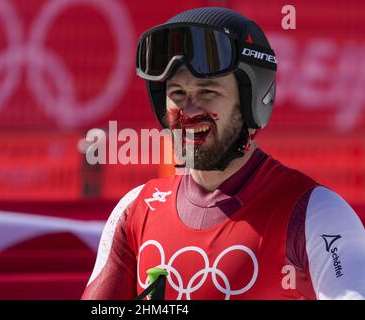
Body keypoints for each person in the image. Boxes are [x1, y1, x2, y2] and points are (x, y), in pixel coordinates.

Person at [81, 7, 365, 300]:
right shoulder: (135, 210)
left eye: (208, 92)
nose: (188, 112)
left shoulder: (316, 212)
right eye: (177, 93)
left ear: (252, 102)